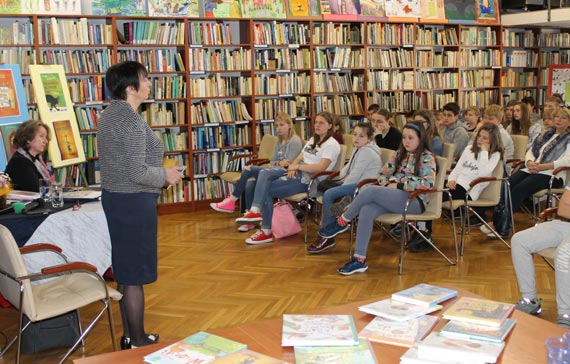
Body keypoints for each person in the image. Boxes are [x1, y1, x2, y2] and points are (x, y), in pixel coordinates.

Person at [97, 61, 184, 349]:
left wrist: (159, 173)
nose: (149, 83)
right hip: (134, 203)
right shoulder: (131, 121)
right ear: (131, 88)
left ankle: (131, 334)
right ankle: (136, 341)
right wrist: (166, 176)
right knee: (134, 275)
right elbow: (136, 172)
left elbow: (125, 166)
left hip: (118, 200)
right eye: (145, 79)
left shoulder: (110, 115)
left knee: (126, 271)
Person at [318, 122, 436, 275]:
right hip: (394, 197)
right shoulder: (399, 153)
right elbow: (382, 174)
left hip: (414, 201)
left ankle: (343, 220)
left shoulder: (427, 157)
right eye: (404, 137)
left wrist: (399, 185)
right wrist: (386, 182)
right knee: (367, 210)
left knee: (371, 191)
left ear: (420, 139)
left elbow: (428, 183)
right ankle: (359, 260)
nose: (406, 141)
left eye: (410, 138)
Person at [235, 111, 341, 245]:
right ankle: (256, 213)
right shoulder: (313, 139)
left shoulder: (332, 144)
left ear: (330, 126)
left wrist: (297, 167)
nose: (317, 125)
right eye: (316, 122)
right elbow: (301, 156)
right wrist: (295, 164)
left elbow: (321, 167)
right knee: (264, 174)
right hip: (297, 172)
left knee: (265, 187)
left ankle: (265, 229)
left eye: (321, 123)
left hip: (310, 180)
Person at [410, 123, 504, 252]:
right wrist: (451, 180)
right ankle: (422, 231)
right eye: (479, 136)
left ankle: (424, 233)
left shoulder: (494, 155)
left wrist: (484, 152)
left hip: (469, 190)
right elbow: (457, 169)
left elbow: (483, 173)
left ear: (492, 141)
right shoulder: (469, 149)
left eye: (485, 138)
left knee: (431, 197)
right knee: (425, 193)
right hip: (455, 185)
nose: (480, 140)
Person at [481, 107, 570, 238]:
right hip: (532, 169)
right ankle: (501, 223)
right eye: (557, 117)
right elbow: (531, 151)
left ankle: (498, 225)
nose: (559, 120)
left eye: (563, 118)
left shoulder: (568, 138)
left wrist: (542, 166)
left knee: (521, 188)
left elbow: (567, 161)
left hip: (552, 174)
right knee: (507, 185)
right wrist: (529, 163)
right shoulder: (547, 133)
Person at [210, 112, 302, 232]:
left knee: (251, 170)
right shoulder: (279, 141)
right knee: (249, 178)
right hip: (274, 171)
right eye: (276, 126)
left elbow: (289, 165)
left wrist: (278, 164)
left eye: (281, 125)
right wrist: (279, 163)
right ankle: (249, 219)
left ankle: (232, 201)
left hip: (285, 175)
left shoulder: (295, 141)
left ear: (290, 125)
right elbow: (273, 162)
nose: (278, 128)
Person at [307, 122, 382, 254]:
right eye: (354, 135)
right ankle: (336, 219)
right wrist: (340, 181)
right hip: (354, 184)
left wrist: (340, 187)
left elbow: (355, 175)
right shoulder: (359, 148)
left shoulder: (368, 152)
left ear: (369, 139)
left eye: (361, 136)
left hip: (363, 187)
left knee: (330, 194)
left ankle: (328, 234)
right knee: (326, 188)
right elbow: (347, 169)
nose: (356, 138)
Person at [510, 188, 570, 328]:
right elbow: (563, 209)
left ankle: (565, 313)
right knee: (519, 240)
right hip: (565, 225)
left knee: (564, 252)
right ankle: (530, 300)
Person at [5, 120, 54, 192]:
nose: (46, 141)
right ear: (28, 138)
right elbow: (36, 189)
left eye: (46, 137)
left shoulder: (36, 159)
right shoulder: (20, 162)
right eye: (41, 136)